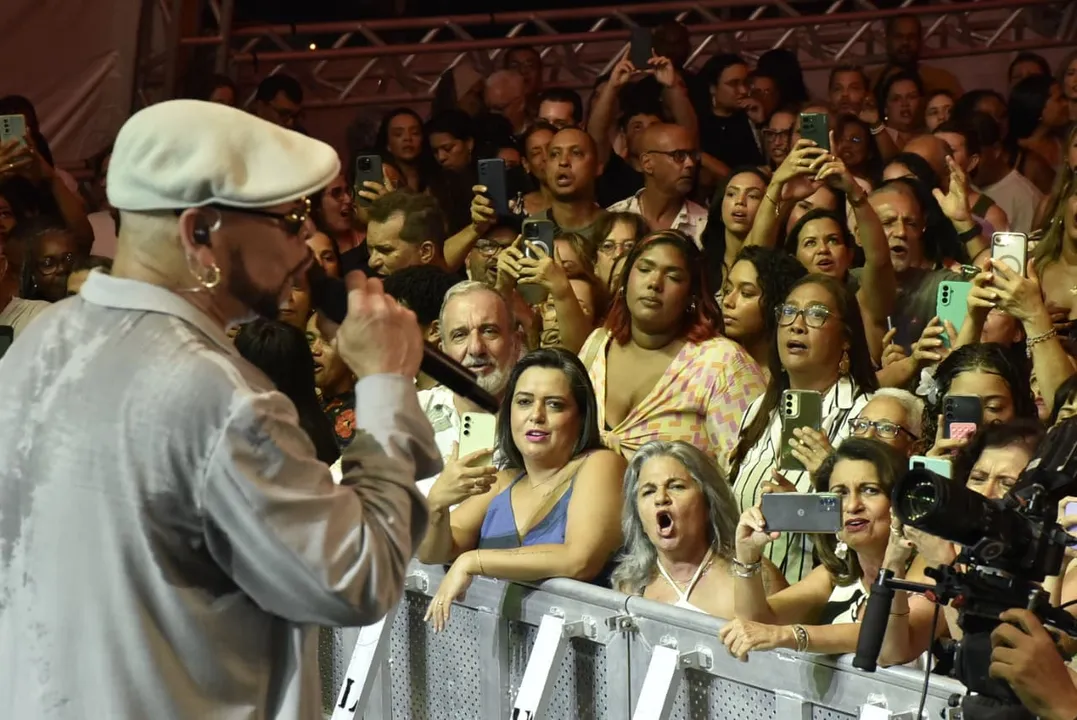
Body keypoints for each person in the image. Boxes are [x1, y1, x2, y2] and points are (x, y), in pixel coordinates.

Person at [0, 99, 440, 719]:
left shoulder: (37, 344)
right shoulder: (218, 396)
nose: (304, 251)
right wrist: (387, 384)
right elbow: (357, 579)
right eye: (290, 221)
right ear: (200, 234)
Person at [419, 348, 626, 631]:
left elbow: (579, 560)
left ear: (581, 417)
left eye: (554, 405)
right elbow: (433, 553)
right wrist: (436, 506)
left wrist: (473, 560)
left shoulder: (602, 464)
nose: (536, 415)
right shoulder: (502, 481)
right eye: (524, 402)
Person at [721, 439, 936, 666]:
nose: (852, 506)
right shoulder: (835, 574)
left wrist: (790, 635)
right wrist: (747, 554)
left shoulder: (930, 568)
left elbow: (887, 643)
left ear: (901, 500)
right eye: (840, 493)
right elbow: (756, 623)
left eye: (870, 490)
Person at [730, 274, 878, 582]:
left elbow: (875, 529)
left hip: (824, 597)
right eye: (788, 311)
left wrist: (821, 483)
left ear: (846, 338)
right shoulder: (759, 410)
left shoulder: (867, 416)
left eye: (816, 314)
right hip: (748, 588)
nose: (797, 325)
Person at [579, 229, 766, 468]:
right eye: (644, 269)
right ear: (625, 281)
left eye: (674, 277)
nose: (654, 283)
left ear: (691, 296)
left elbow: (751, 469)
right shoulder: (597, 345)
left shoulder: (724, 363)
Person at [613, 440, 787, 616]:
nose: (660, 498)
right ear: (638, 516)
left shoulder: (755, 575)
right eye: (648, 491)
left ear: (708, 503)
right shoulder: (630, 586)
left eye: (676, 486)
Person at [721, 245, 807, 375]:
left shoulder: (797, 375)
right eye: (727, 290)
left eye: (746, 293)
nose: (728, 301)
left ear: (777, 302)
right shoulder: (716, 362)